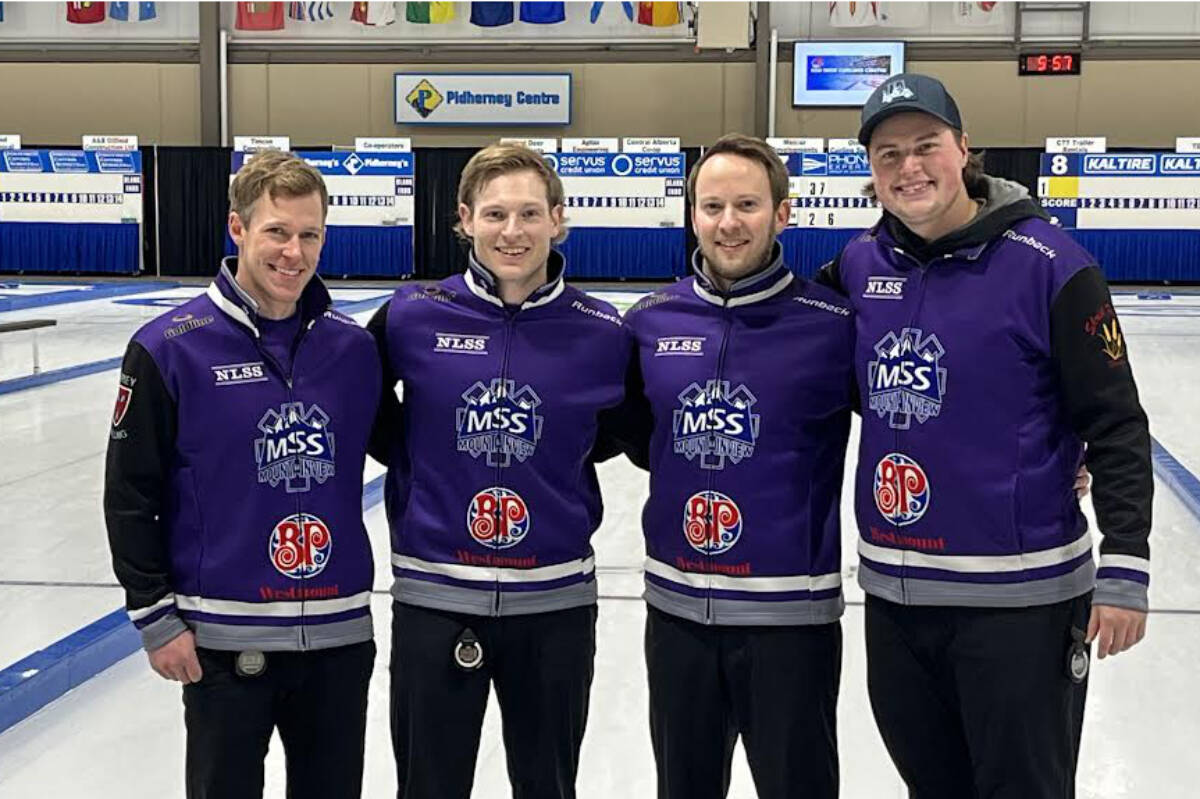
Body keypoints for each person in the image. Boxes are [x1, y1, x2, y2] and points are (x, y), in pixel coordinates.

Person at [816, 73, 1153, 798]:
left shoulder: (1055, 267)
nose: (910, 168)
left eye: (926, 146)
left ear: (964, 149)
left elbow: (1117, 421)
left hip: (1020, 603)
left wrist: (1126, 562)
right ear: (871, 173)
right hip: (898, 598)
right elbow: (802, 357)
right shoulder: (856, 266)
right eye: (888, 155)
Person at [104, 150, 382, 799]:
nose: (294, 252)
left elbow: (414, 449)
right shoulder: (170, 346)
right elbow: (130, 490)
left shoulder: (352, 348)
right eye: (277, 232)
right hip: (221, 639)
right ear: (238, 229)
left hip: (339, 635)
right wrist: (156, 617)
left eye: (309, 234)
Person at [367, 143, 626, 799]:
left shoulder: (602, 329)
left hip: (556, 601)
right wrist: (420, 456)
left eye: (530, 213)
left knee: (548, 785)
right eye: (495, 214)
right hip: (436, 595)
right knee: (429, 784)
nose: (512, 232)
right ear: (465, 219)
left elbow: (621, 429)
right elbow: (359, 406)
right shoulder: (412, 315)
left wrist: (549, 457)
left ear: (559, 220)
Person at [618, 133, 855, 799]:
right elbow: (633, 434)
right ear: (691, 214)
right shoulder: (650, 322)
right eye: (713, 205)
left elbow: (921, 423)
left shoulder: (832, 323)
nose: (728, 222)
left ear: (783, 213)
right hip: (678, 615)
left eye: (747, 204)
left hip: (792, 622)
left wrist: (1063, 444)